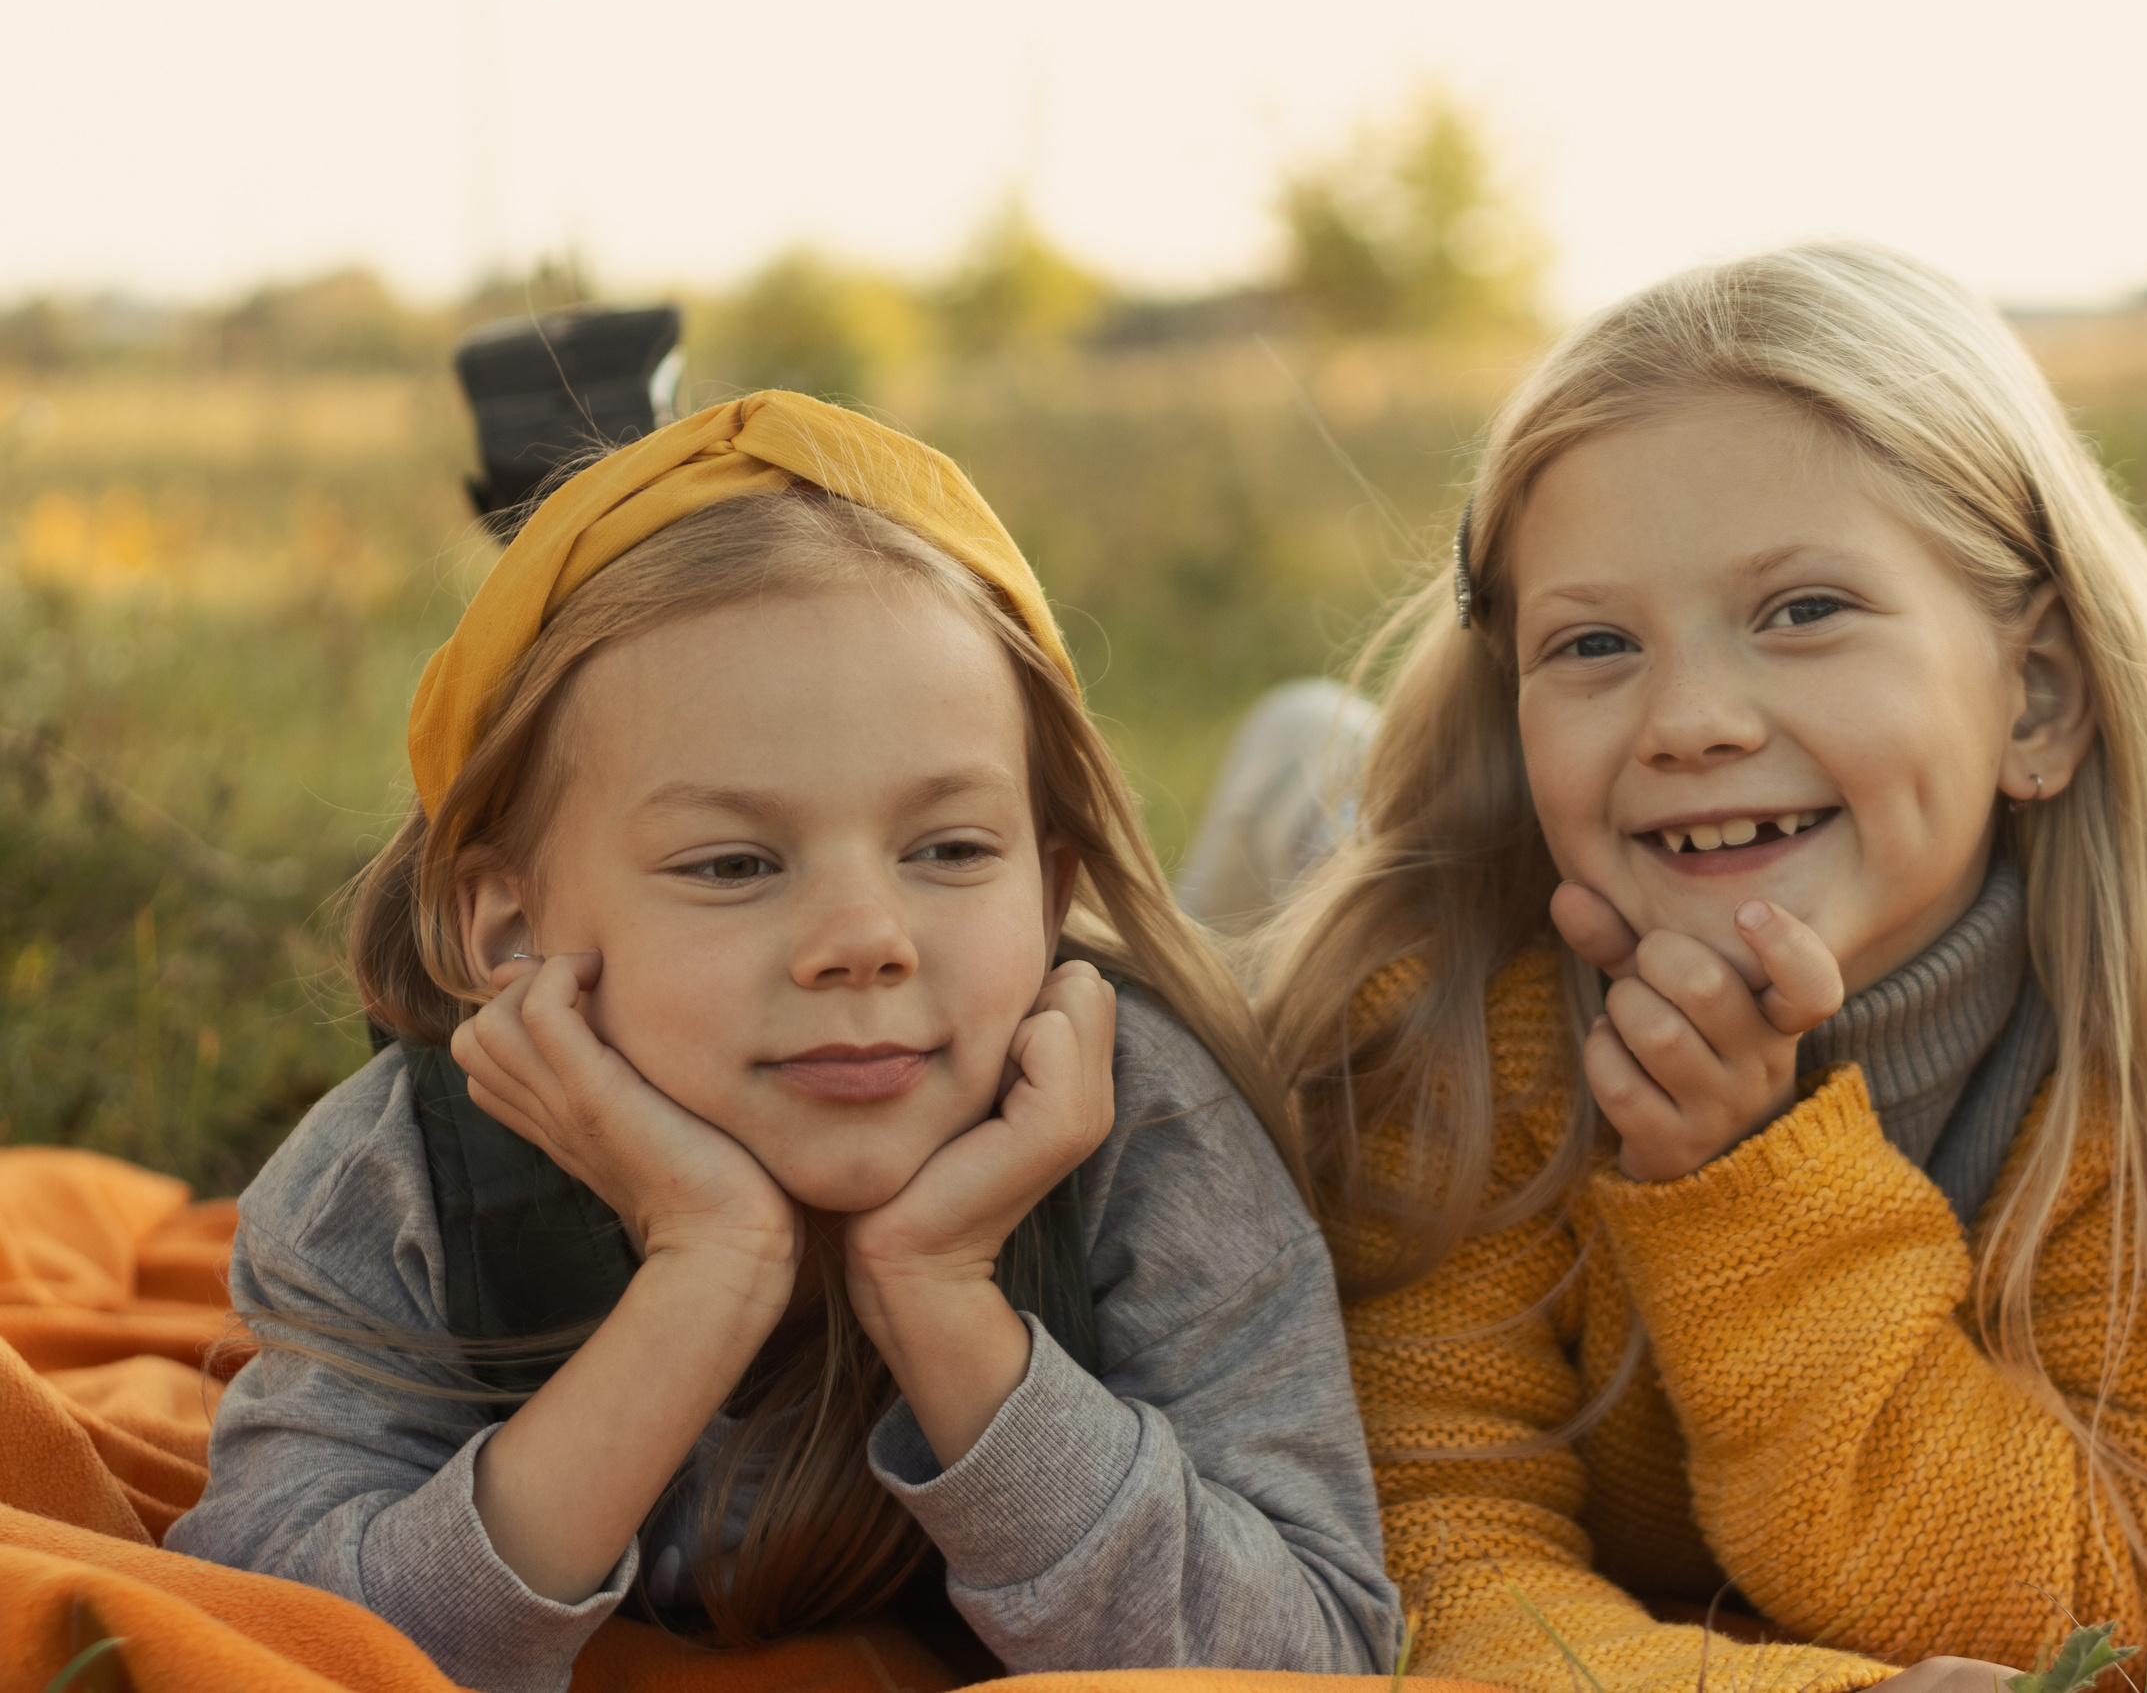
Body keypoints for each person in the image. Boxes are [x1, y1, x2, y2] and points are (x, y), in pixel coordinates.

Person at [1255, 243, 2147, 1690]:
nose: (1690, 718)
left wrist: (1754, 1194)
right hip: (1349, 902)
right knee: (1294, 865)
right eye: (1596, 642)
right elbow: (1429, 1567)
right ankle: (1293, 782)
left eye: (1804, 611)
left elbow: (2123, 1589)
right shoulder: (1441, 1035)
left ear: (2036, 699)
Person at [167, 393, 1396, 1693]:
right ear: (513, 928)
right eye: (735, 864)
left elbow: (1310, 1652)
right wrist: (707, 1270)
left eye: (951, 848)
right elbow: (276, 1644)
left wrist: (941, 1297)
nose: (865, 940)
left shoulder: (1145, 1122)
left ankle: (1301, 775)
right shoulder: (402, 1182)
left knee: (1320, 914)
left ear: (1050, 894)